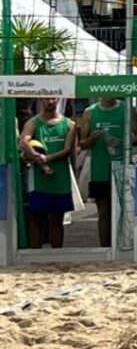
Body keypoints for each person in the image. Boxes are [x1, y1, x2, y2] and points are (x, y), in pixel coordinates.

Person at [76, 96, 137, 248]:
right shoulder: (90, 112)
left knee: (125, 210)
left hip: (123, 168)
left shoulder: (127, 109)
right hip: (100, 169)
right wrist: (92, 139)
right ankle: (105, 248)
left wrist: (124, 142)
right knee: (104, 212)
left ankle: (124, 246)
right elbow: (82, 144)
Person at [21, 97, 76, 249]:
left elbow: (67, 150)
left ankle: (57, 254)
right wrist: (37, 157)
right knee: (36, 218)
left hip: (60, 180)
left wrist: (47, 158)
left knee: (57, 220)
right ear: (40, 100)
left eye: (53, 98)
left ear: (58, 100)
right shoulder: (33, 123)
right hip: (38, 181)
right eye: (46, 98)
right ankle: (34, 255)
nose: (50, 101)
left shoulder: (69, 124)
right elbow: (24, 142)